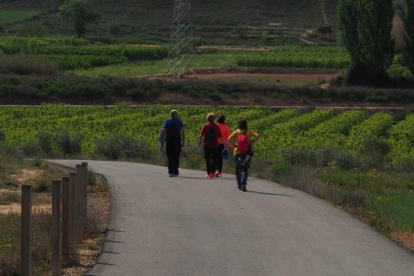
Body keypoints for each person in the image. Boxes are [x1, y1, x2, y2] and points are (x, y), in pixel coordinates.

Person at [228, 119, 260, 192]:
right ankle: (243, 184)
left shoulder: (236, 132)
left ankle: (239, 184)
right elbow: (257, 136)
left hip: (237, 152)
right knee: (245, 169)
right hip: (246, 153)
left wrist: (235, 145)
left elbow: (229, 139)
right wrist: (252, 143)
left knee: (238, 168)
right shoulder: (249, 131)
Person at [198, 113, 227, 179]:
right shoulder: (216, 127)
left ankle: (209, 173)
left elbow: (201, 135)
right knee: (214, 159)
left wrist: (200, 142)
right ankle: (213, 173)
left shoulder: (205, 126)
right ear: (214, 119)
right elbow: (220, 136)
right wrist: (224, 144)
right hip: (215, 145)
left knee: (207, 159)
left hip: (206, 145)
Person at [162, 110, 185, 177]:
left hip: (169, 141)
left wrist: (161, 131)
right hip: (177, 141)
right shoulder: (179, 121)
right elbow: (183, 131)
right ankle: (176, 171)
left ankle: (170, 171)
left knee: (170, 156)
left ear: (171, 115)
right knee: (176, 156)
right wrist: (183, 141)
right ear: (176, 115)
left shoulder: (167, 121)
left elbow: (164, 130)